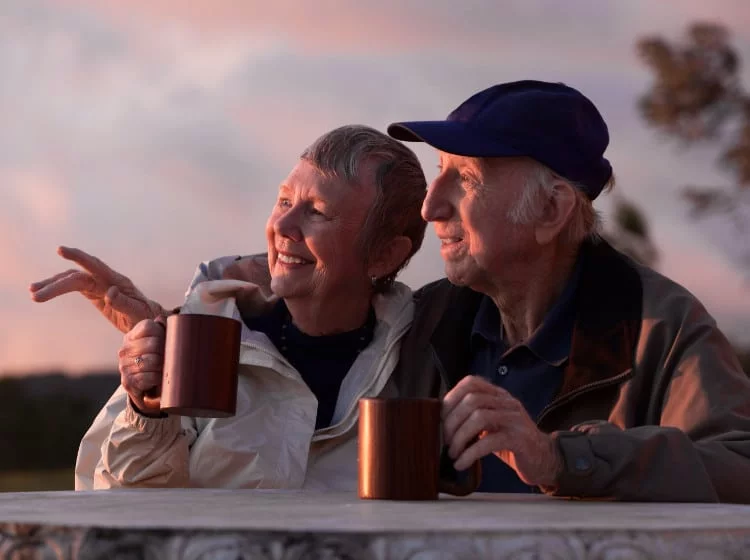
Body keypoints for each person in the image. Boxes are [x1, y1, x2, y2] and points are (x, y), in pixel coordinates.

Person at [385, 80, 750, 502]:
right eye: (438, 172)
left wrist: (560, 460)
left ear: (551, 210)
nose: (429, 207)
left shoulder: (660, 324)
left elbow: (739, 467)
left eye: (466, 177)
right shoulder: (423, 318)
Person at [30, 125, 428, 490]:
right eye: (284, 200)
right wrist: (146, 410)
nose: (282, 226)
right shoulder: (198, 337)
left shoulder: (428, 355)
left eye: (317, 212)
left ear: (384, 255)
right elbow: (113, 502)